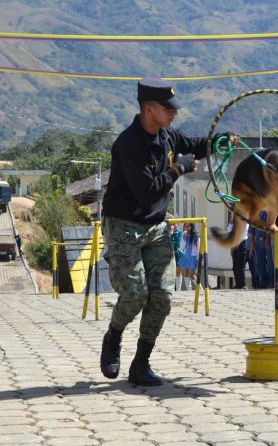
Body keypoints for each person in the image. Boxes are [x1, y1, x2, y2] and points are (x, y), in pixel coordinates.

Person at [98, 78, 237, 386]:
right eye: (168, 109)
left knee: (161, 297)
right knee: (135, 294)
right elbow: (148, 191)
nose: (174, 114)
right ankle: (113, 336)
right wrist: (179, 169)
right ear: (149, 109)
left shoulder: (168, 136)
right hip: (123, 227)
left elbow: (196, 144)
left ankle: (141, 364)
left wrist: (220, 140)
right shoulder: (128, 144)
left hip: (157, 226)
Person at [176, 223, 199, 291]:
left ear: (191, 227)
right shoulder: (185, 235)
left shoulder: (196, 236)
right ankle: (189, 291)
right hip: (185, 256)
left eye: (188, 226)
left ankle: (200, 289)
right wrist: (184, 237)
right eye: (185, 226)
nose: (186, 228)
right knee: (185, 274)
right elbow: (181, 247)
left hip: (193, 256)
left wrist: (198, 258)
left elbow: (199, 247)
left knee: (191, 275)